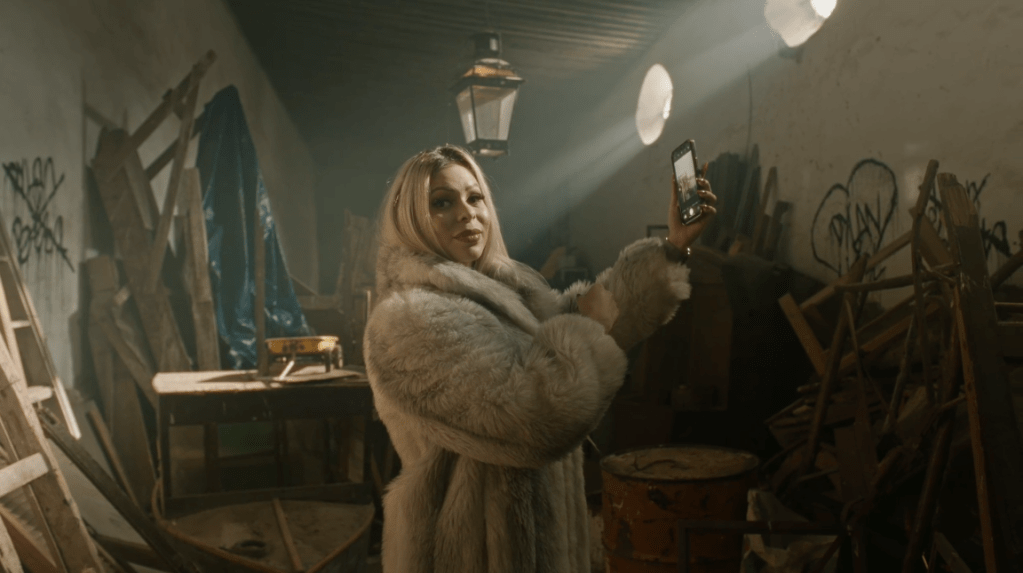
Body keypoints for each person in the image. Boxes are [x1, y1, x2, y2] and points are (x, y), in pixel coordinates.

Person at [363, 144, 717, 573]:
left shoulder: (505, 291)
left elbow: (580, 322)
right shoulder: (409, 317)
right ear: (411, 219)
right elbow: (538, 412)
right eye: (442, 202)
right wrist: (582, 333)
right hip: (469, 555)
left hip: (541, 546)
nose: (467, 213)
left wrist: (673, 248)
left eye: (475, 197)